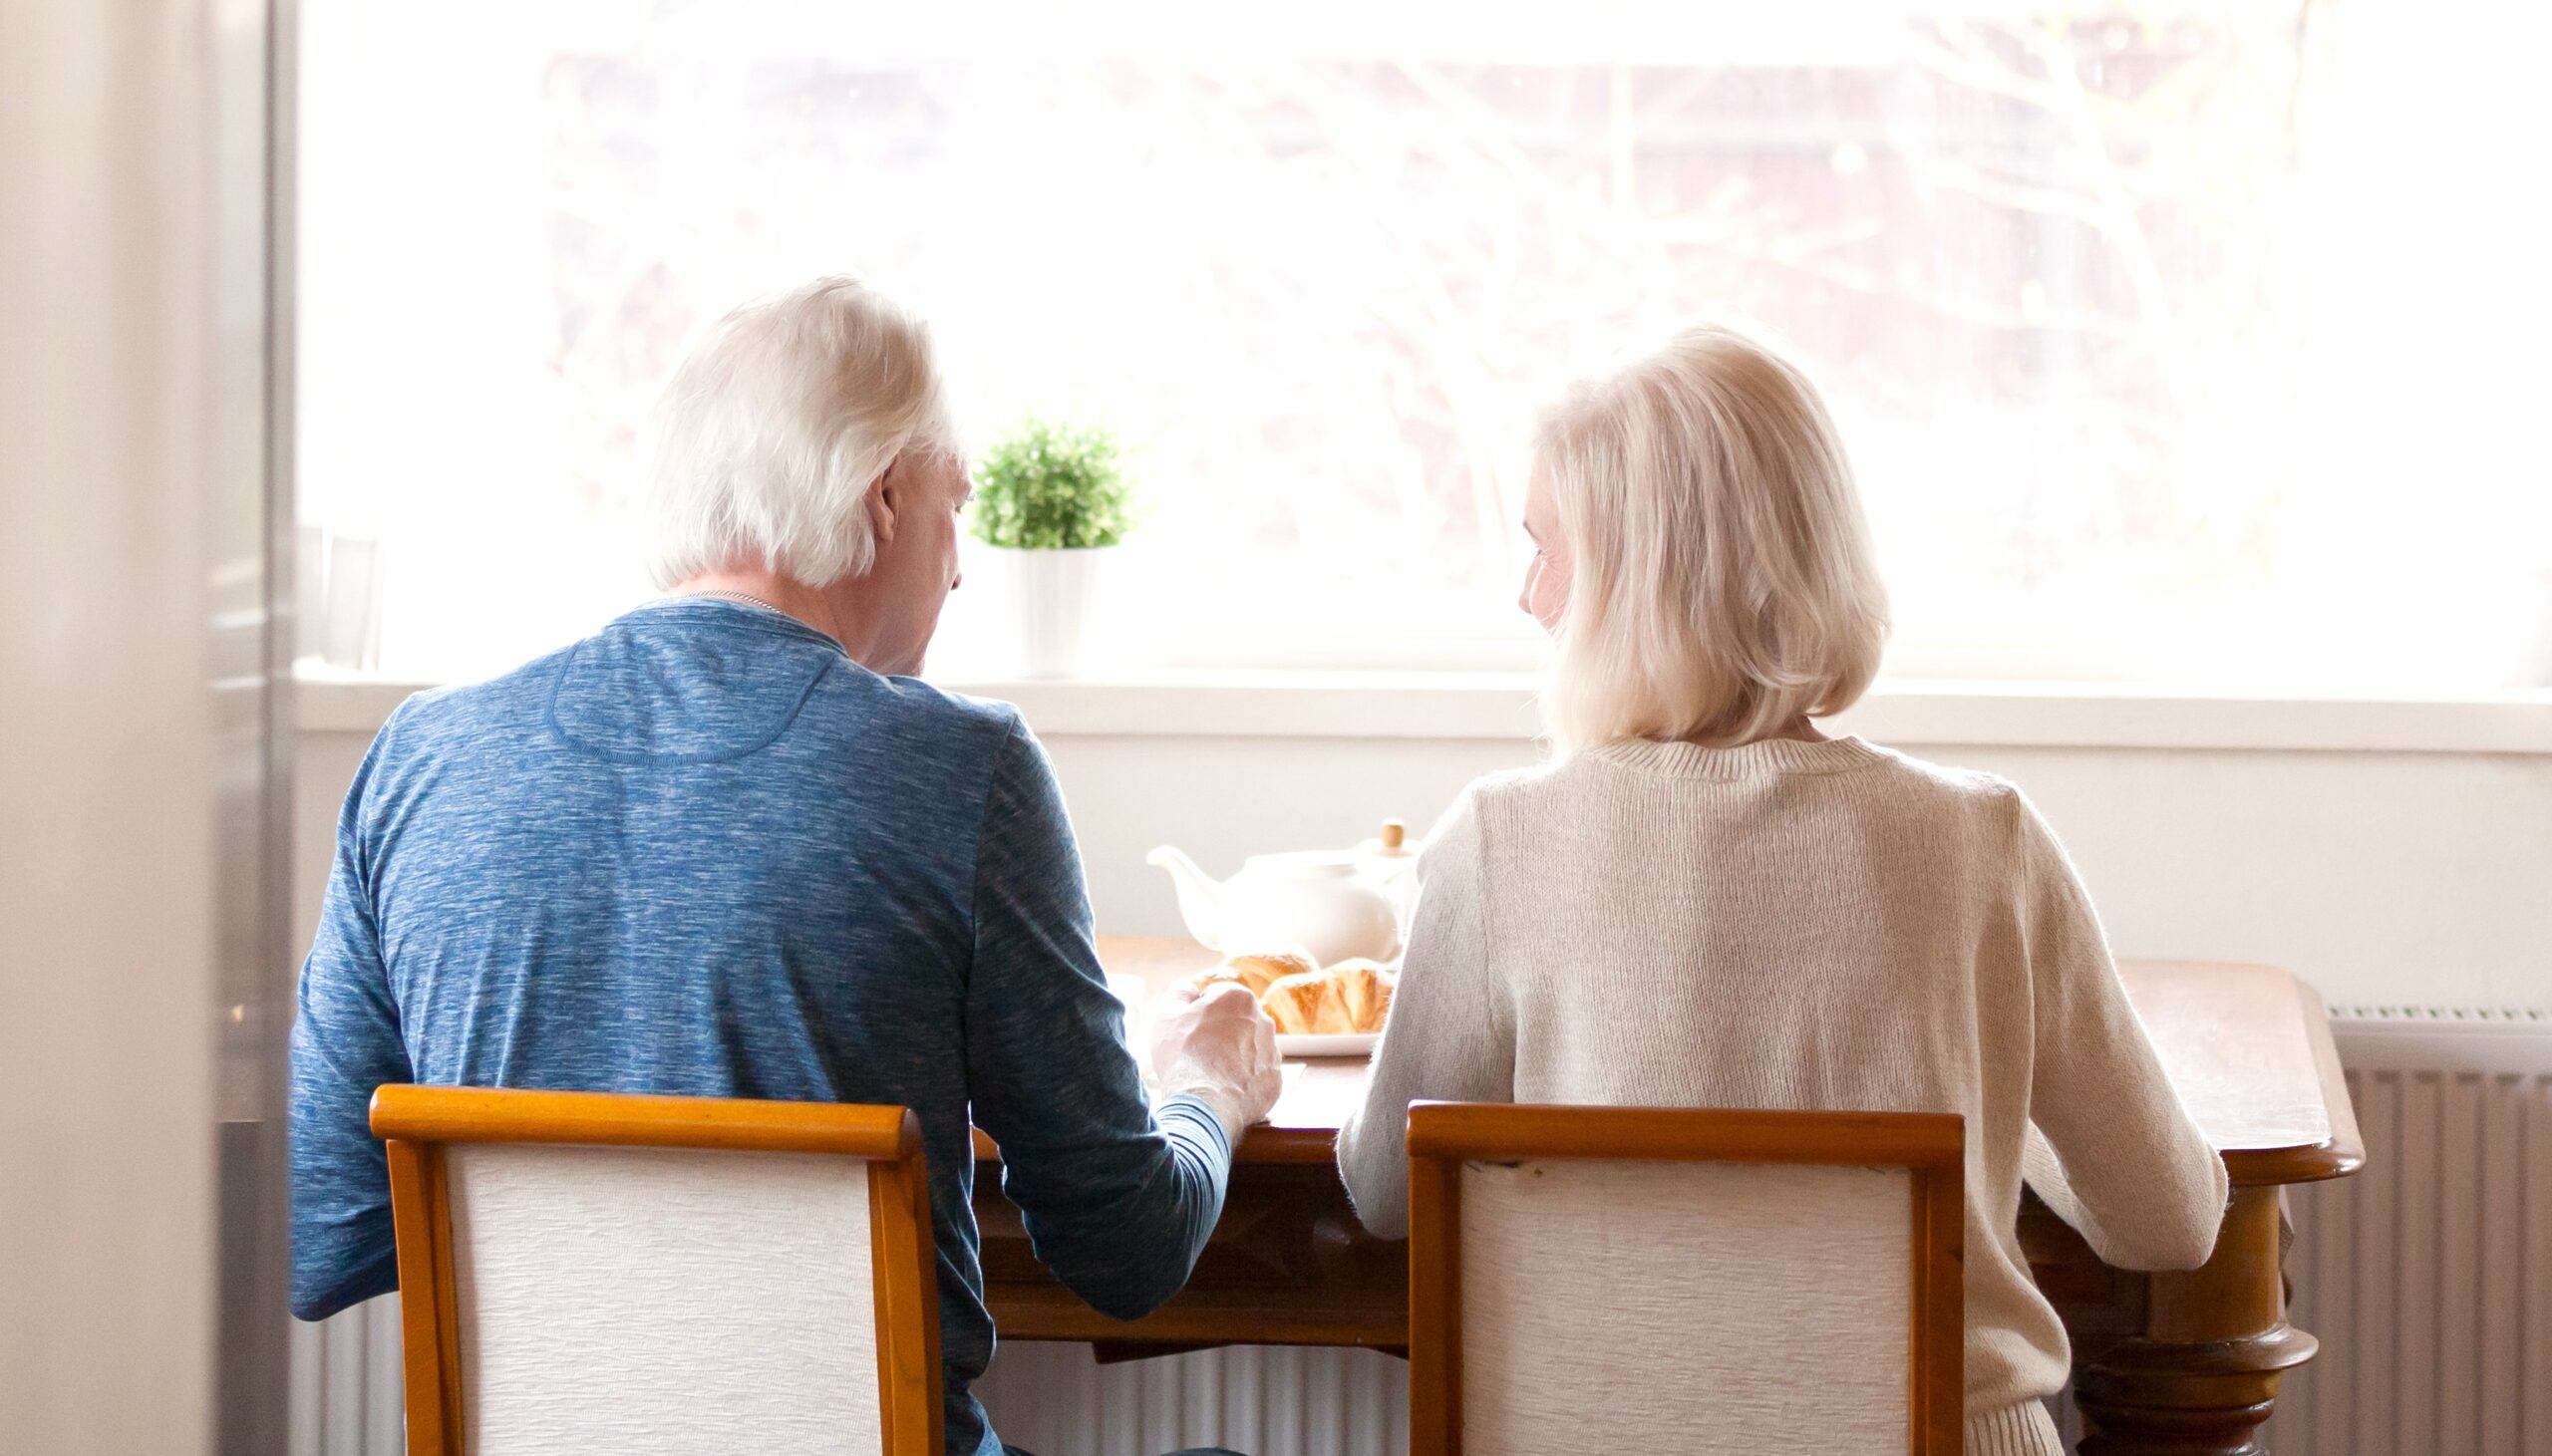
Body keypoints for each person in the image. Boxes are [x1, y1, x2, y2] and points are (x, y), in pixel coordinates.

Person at [287, 275, 1279, 1456]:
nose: (958, 570)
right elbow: (1124, 1253)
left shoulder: (420, 760)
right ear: (886, 495)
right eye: (954, 505)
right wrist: (1210, 1084)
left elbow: (321, 1235)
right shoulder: (961, 770)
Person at [1335, 323, 2230, 1456]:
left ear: (1640, 578)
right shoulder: (1981, 840)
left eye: (1548, 550)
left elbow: (1382, 1194)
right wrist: (1995, 1080)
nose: (1531, 599)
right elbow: (2170, 1220)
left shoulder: (1499, 841)